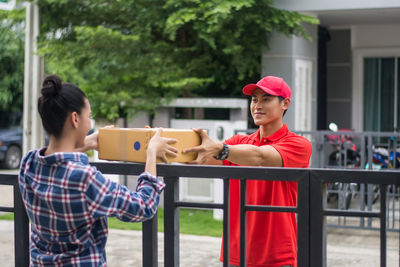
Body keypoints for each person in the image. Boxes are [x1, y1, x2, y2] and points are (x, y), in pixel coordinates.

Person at [18, 74, 178, 266]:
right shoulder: (84, 178)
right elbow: (143, 206)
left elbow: (56, 160)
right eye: (90, 117)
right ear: (75, 119)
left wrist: (84, 142)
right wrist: (152, 153)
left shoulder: (29, 164)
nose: (90, 123)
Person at [183, 76, 312, 267]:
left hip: (276, 254)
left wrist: (221, 150)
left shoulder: (298, 144)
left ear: (285, 103)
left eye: (266, 99)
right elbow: (199, 158)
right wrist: (155, 147)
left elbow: (260, 156)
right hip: (236, 252)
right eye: (254, 99)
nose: (257, 105)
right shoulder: (239, 143)